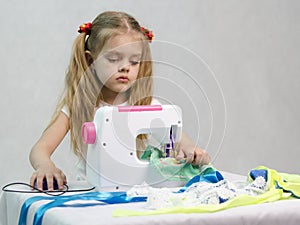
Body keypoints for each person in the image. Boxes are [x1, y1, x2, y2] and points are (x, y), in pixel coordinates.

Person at [29, 11, 210, 191]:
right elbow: (40, 149)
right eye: (114, 59)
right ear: (91, 59)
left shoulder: (146, 106)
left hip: (134, 192)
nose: (125, 67)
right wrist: (45, 166)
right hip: (91, 193)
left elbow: (180, 140)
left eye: (134, 62)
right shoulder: (78, 106)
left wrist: (192, 150)